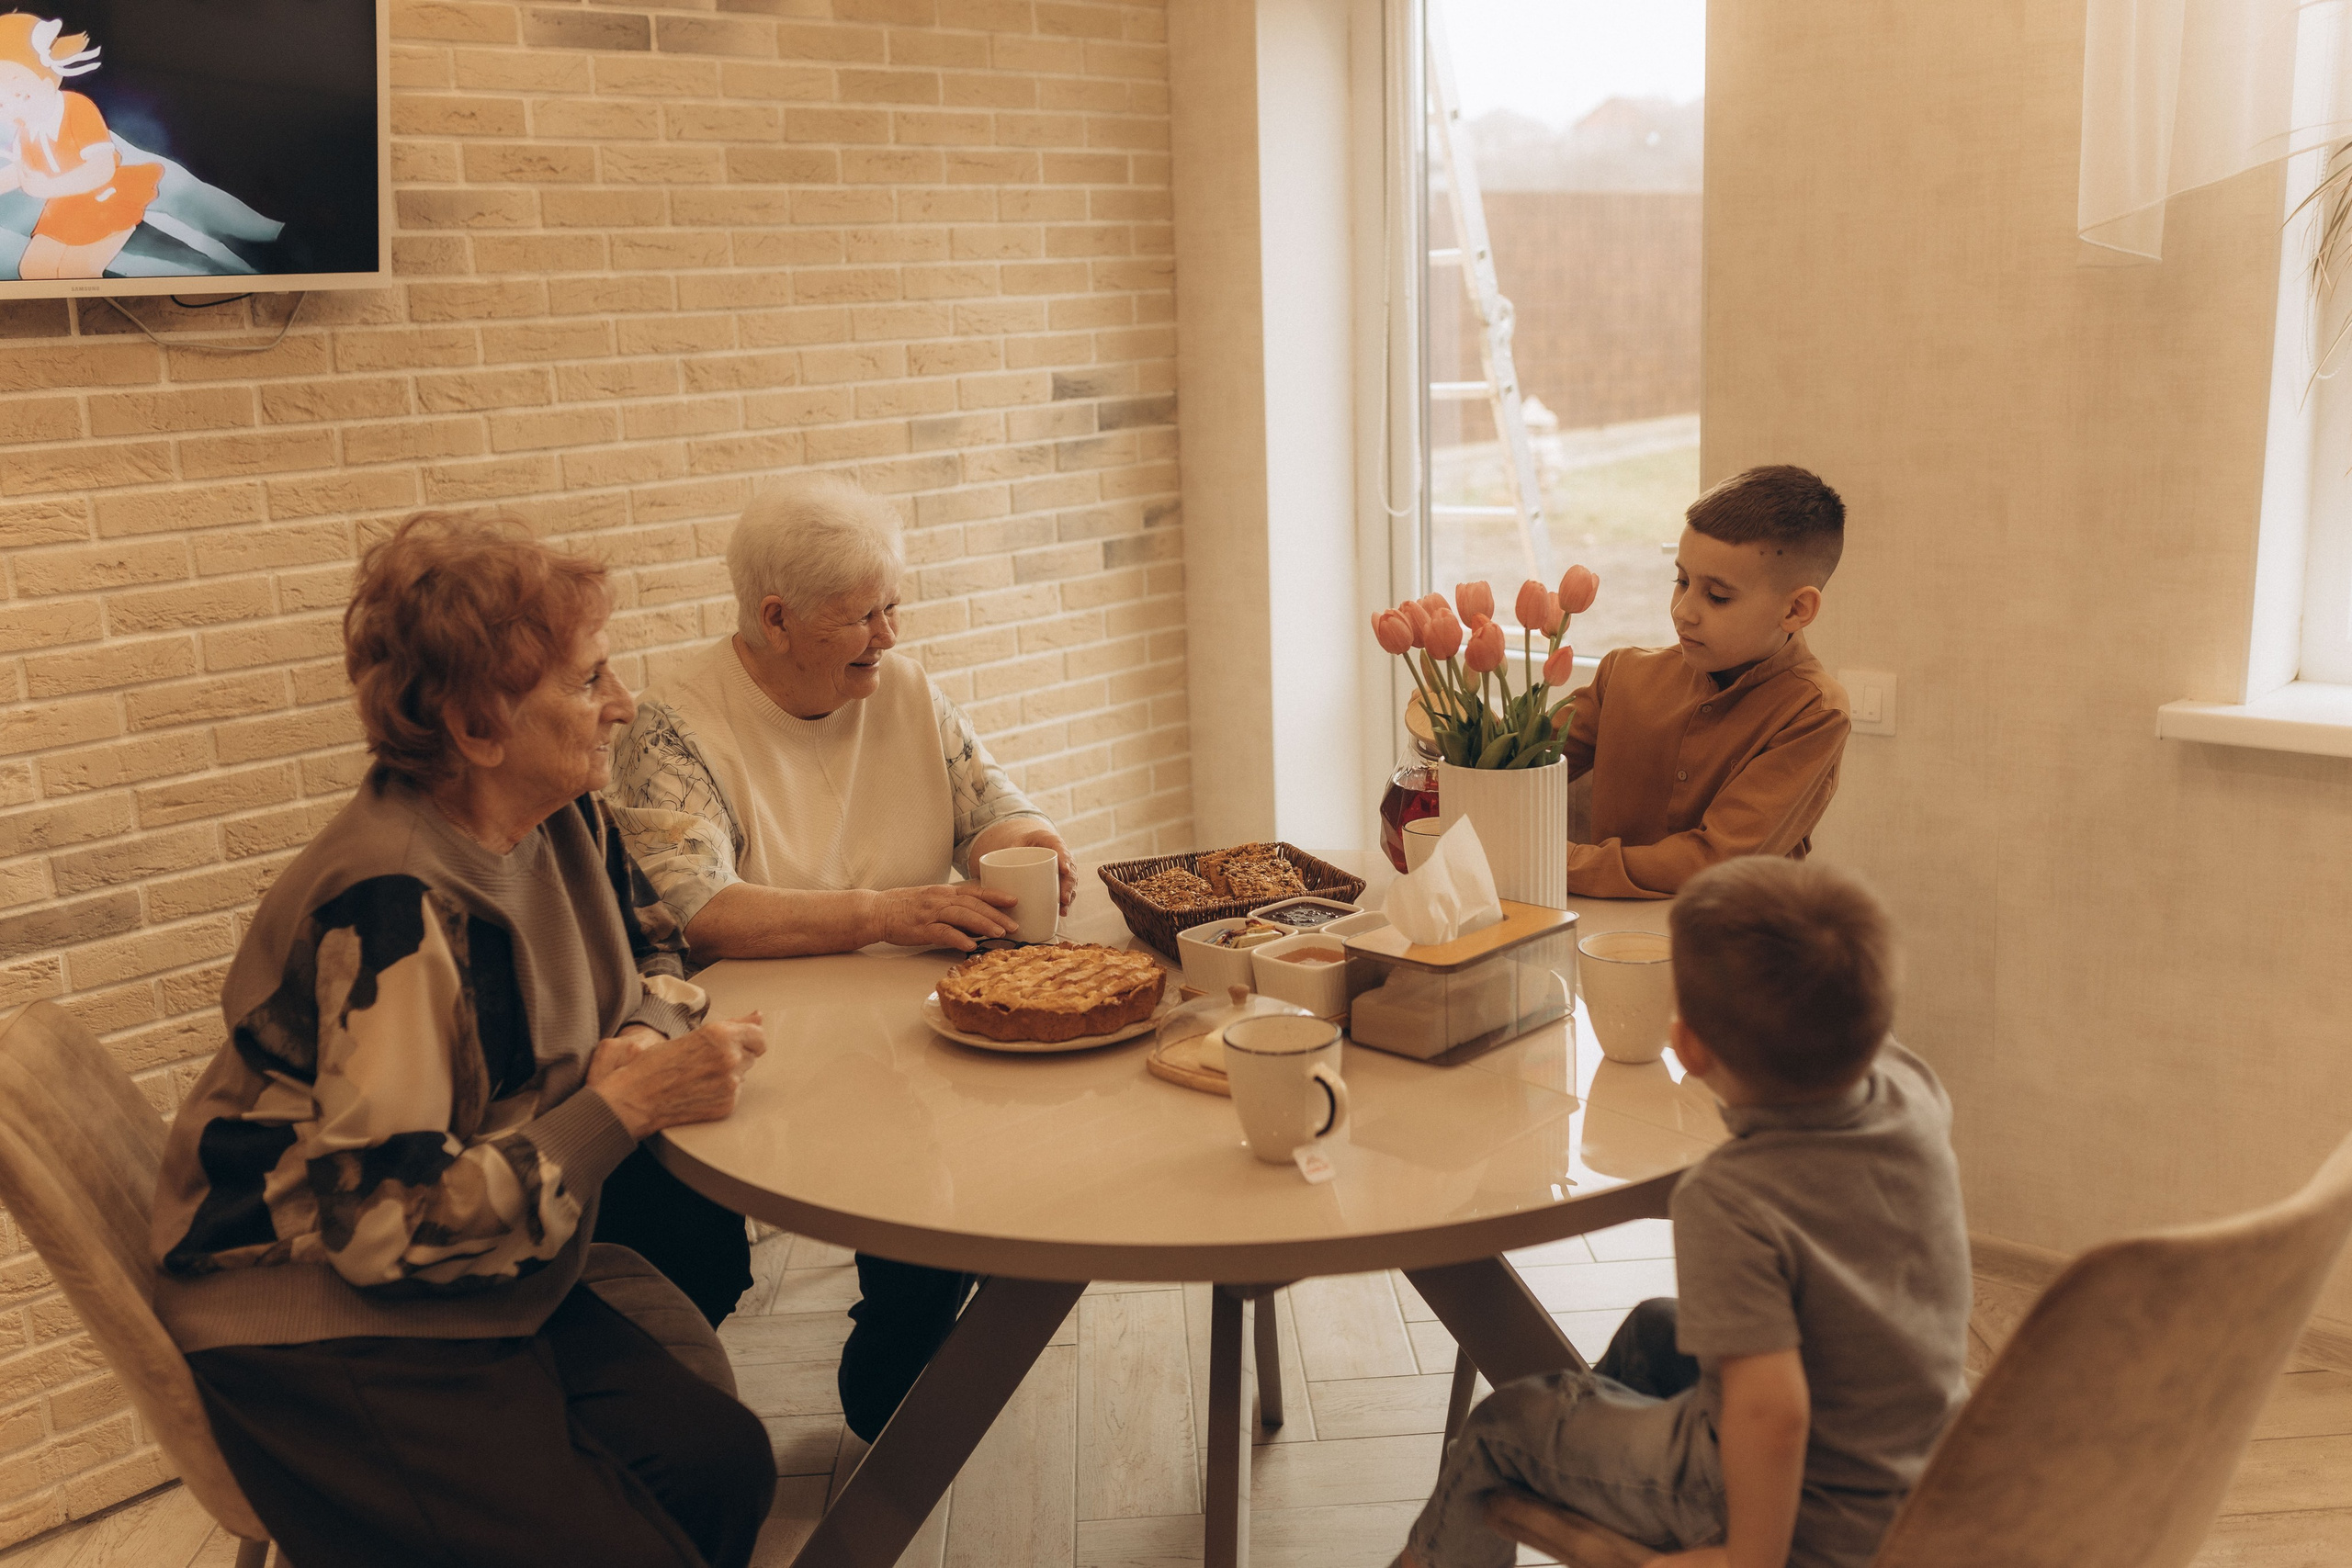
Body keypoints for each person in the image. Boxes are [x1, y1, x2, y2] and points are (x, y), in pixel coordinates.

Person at [152, 514, 776, 1568]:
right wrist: (617, 1107)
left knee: (719, 1467)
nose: (621, 707)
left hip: (487, 1272)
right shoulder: (395, 906)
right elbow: (385, 1231)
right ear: (478, 728)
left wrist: (630, 1038)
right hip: (327, 1321)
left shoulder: (561, 820)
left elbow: (663, 970)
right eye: (587, 684)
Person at [607, 470, 1073, 1442]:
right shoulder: (675, 721)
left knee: (999, 1152)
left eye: (893, 608)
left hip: (922, 1018)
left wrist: (1024, 850)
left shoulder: (900, 686)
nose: (891, 638)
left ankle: (906, 1346)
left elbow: (990, 803)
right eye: (863, 617)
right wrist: (887, 911)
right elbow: (706, 911)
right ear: (775, 619)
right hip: (773, 1039)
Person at [1396, 856, 1971, 1568]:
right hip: (1912, 1467)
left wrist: (1744, 1561)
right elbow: (1831, 1009)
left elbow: (1774, 1412)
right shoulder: (1910, 1090)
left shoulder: (1731, 1200)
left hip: (1804, 1516)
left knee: (1499, 1431)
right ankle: (1585, 1468)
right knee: (1653, 1330)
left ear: (1686, 1046)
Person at [1558, 465, 1852, 897]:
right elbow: (1516, 763)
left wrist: (1553, 860)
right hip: (1604, 936)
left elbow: (1713, 862)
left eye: (1717, 596)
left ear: (1796, 610)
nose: (1683, 611)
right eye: (1681, 581)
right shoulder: (1623, 675)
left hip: (1731, 950)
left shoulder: (1814, 713)